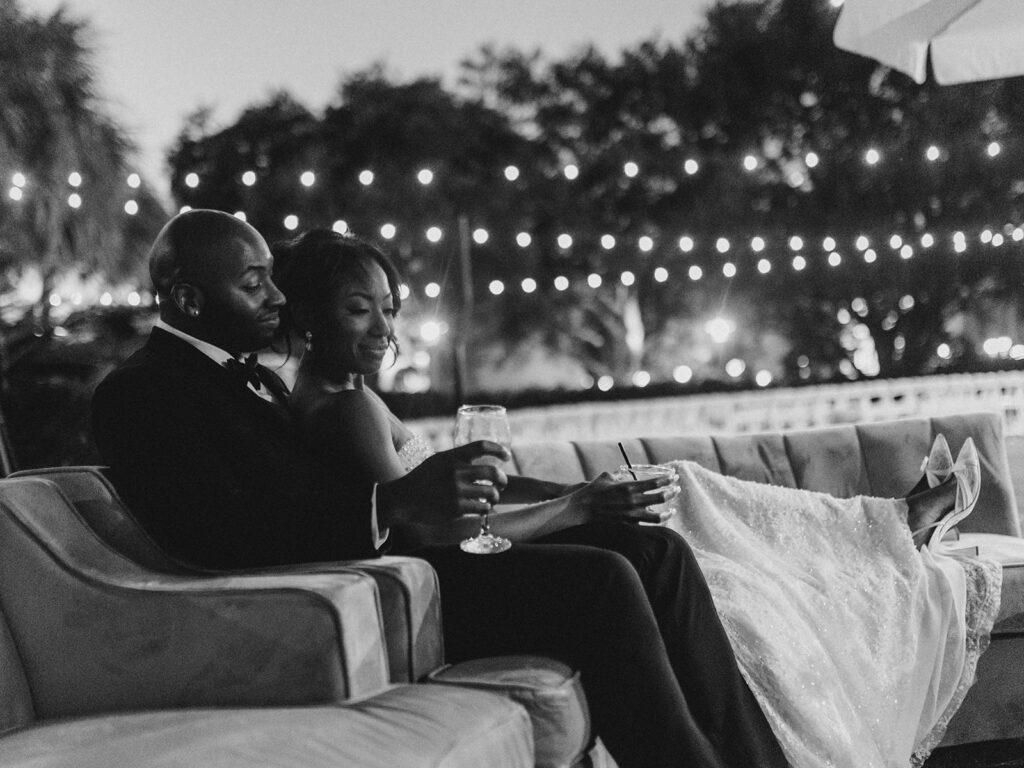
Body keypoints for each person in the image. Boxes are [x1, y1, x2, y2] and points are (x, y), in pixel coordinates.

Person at [269, 227, 1003, 768]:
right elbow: (440, 534)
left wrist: (571, 491)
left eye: (389, 308)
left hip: (482, 550)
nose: (384, 329)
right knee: (678, 504)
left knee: (670, 520)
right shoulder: (344, 408)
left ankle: (877, 529)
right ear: (306, 316)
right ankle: (880, 528)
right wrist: (577, 507)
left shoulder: (352, 396)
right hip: (456, 579)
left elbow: (467, 497)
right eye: (360, 310)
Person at [91, 209, 787, 768]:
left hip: (389, 557)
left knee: (650, 549)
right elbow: (215, 533)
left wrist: (554, 495)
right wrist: (390, 505)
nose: (276, 297)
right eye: (253, 284)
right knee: (603, 577)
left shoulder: (258, 376)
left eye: (273, 279)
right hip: (362, 587)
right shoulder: (142, 392)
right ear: (187, 298)